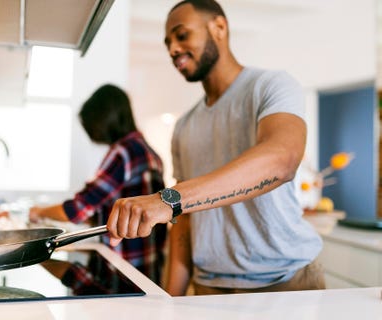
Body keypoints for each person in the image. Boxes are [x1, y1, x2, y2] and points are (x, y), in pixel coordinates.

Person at [106, 0, 325, 296]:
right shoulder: (184, 126)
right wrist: (168, 301)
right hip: (210, 285)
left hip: (285, 281)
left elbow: (282, 159)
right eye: (167, 42)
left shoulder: (271, 86)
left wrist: (168, 198)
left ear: (219, 27)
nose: (172, 49)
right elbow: (184, 220)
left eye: (182, 35)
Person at [29, 84, 167, 285]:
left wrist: (38, 212)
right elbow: (117, 213)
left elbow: (77, 210)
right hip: (147, 269)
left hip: (123, 271)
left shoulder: (124, 153)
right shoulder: (148, 152)